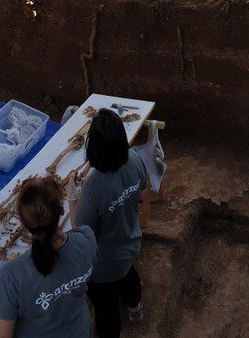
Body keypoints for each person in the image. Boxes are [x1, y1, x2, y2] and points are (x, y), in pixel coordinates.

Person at [69, 108, 149, 338]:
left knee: (106, 308)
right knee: (128, 277)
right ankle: (135, 308)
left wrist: (72, 198)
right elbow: (142, 187)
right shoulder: (135, 158)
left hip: (102, 264)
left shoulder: (93, 187)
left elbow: (81, 233)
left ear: (92, 147)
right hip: (130, 243)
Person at [0, 177, 97, 338]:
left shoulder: (12, 275)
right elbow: (77, 235)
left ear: (23, 222)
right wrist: (72, 201)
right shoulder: (87, 238)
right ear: (61, 210)